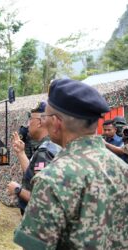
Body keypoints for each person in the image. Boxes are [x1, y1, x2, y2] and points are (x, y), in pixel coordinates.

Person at [14, 79, 128, 249]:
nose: (43, 122)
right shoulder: (122, 169)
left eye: (46, 116)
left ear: (57, 123)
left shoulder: (52, 179)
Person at [7, 101, 61, 215]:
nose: (28, 124)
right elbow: (33, 174)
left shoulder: (45, 151)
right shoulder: (50, 145)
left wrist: (18, 190)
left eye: (30, 119)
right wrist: (21, 153)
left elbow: (44, 199)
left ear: (40, 122)